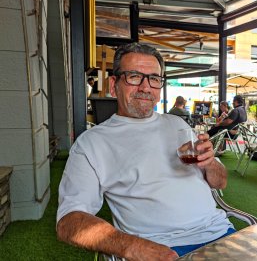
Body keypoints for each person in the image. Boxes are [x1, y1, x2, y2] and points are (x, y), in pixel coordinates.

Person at [56, 43, 234, 260]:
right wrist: (133, 247)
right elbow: (69, 221)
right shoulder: (92, 143)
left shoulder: (178, 124)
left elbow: (220, 182)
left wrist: (210, 163)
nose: (145, 87)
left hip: (222, 234)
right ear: (114, 85)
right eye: (134, 76)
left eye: (154, 78)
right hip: (160, 248)